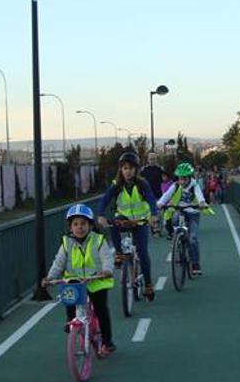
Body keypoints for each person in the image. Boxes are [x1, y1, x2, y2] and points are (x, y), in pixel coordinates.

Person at [43, 204, 116, 355]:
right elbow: (59, 263)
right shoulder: (66, 243)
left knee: (101, 309)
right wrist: (50, 277)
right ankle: (71, 321)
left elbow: (107, 257)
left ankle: (108, 341)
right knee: (70, 299)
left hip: (97, 280)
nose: (79, 227)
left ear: (90, 225)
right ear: (70, 227)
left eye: (83, 224)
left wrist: (107, 270)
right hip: (75, 280)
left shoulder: (98, 240)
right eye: (75, 224)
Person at [97, 151, 159, 301]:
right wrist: (100, 215)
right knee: (114, 225)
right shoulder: (116, 185)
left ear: (136, 169)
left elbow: (151, 199)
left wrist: (153, 215)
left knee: (143, 252)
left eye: (131, 168)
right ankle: (119, 253)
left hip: (140, 220)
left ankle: (148, 284)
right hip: (123, 217)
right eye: (124, 168)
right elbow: (105, 200)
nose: (128, 171)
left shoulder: (142, 183)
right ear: (121, 170)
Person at [158, 162, 212, 277]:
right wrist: (160, 203)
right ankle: (176, 237)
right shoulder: (176, 185)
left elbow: (199, 195)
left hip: (193, 212)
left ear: (190, 177)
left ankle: (195, 263)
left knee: (192, 238)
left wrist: (202, 203)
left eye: (184, 179)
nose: (182, 181)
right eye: (180, 179)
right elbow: (167, 194)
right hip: (180, 210)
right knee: (174, 218)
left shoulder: (194, 185)